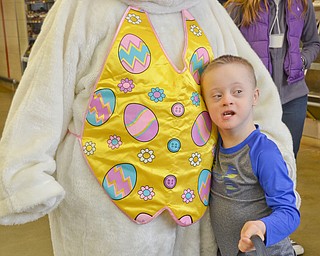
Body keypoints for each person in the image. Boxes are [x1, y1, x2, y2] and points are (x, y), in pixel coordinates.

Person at [0, 0, 299, 255]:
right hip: (105, 197)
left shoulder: (206, 10)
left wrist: (275, 151)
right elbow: (46, 88)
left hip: (192, 193)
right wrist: (24, 170)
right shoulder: (85, 9)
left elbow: (250, 86)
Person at [224, 1, 320, 254]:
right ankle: (241, 233)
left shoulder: (302, 5)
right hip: (253, 99)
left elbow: (314, 42)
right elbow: (223, 43)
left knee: (284, 167)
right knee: (247, 166)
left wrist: (303, 59)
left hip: (293, 95)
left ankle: (280, 234)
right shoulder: (238, 5)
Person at [201, 55, 300, 256]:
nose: (227, 100)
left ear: (254, 97)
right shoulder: (212, 149)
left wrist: (263, 227)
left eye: (237, 92)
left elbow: (290, 213)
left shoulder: (264, 153)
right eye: (216, 96)